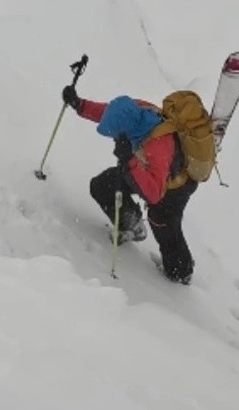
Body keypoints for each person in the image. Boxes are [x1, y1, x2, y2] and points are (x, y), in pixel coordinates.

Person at [61, 84, 197, 284]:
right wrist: (79, 105)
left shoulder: (158, 145)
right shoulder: (135, 111)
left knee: (162, 222)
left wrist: (129, 160)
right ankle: (132, 226)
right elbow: (109, 113)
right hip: (141, 167)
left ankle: (181, 272)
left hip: (174, 187)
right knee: (102, 185)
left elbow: (154, 194)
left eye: (117, 134)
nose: (115, 138)